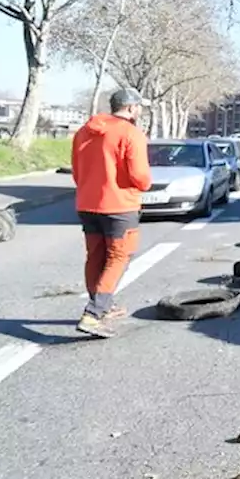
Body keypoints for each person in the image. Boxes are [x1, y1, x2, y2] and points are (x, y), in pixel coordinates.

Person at [70, 88, 151, 339]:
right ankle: (93, 314)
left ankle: (102, 303)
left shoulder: (84, 131)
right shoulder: (131, 133)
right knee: (118, 257)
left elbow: (76, 169)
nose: (140, 112)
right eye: (139, 108)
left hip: (87, 203)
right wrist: (144, 184)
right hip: (119, 205)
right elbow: (140, 177)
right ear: (130, 108)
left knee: (95, 255)